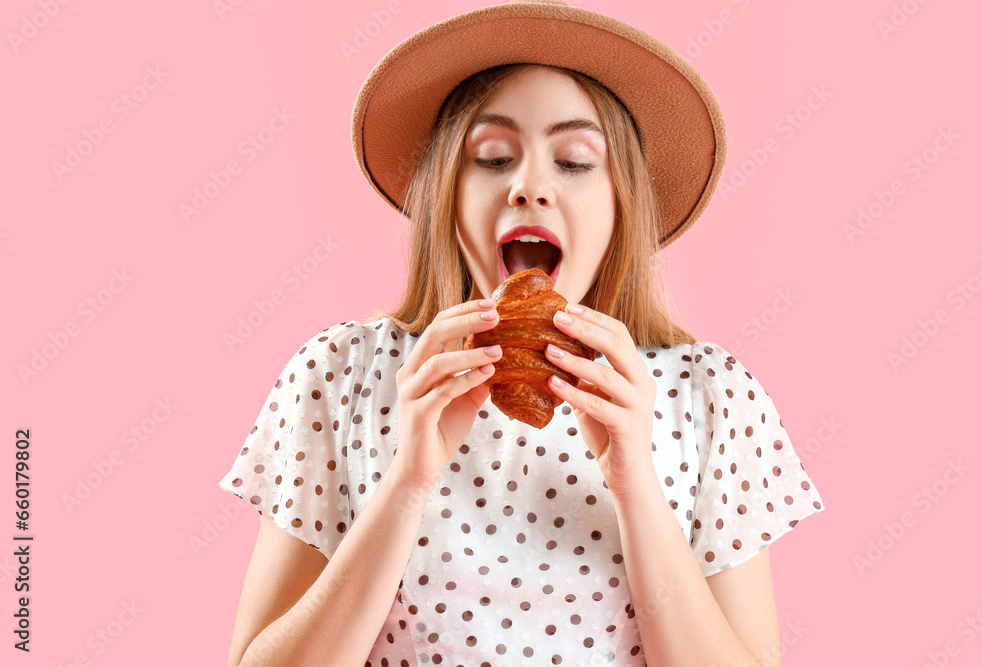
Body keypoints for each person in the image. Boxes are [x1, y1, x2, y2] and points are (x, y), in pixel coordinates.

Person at [218, 2, 825, 665]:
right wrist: (408, 481)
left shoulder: (713, 397)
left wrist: (636, 485)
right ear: (446, 192)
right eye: (493, 156)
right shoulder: (338, 374)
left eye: (573, 160)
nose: (529, 186)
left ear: (622, 202)